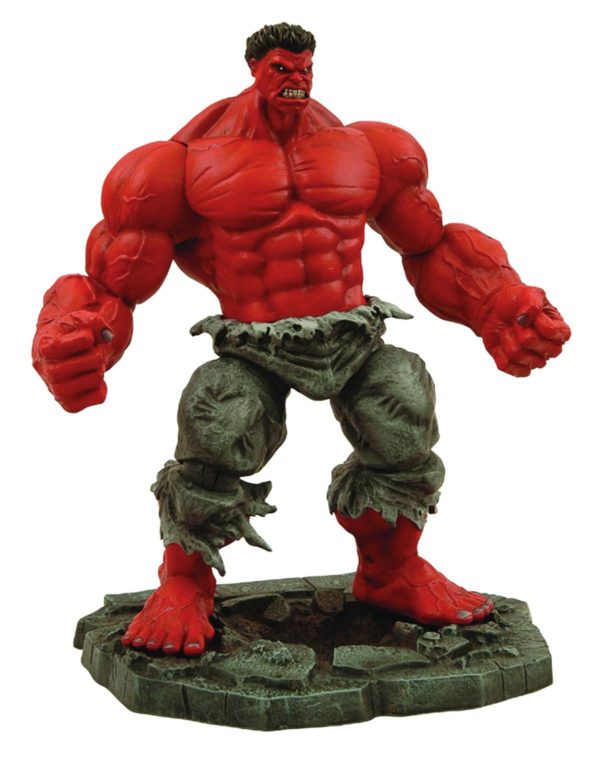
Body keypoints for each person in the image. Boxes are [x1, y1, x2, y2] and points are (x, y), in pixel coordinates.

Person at [32, 23, 570, 656]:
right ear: (256, 69)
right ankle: (184, 581)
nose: (296, 79)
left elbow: (430, 244)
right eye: (282, 69)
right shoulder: (178, 165)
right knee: (218, 417)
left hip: (352, 332)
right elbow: (112, 284)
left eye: (305, 68)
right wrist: (77, 343)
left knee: (404, 399)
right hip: (254, 342)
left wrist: (499, 303)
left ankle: (390, 570)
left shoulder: (370, 149)